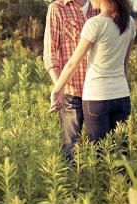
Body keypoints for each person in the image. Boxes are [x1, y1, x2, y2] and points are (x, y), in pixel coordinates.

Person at [48, 0, 136, 145]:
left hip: (97, 97)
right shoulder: (130, 22)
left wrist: (56, 89)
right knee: (122, 152)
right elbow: (124, 65)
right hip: (122, 96)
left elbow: (72, 64)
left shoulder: (94, 23)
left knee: (100, 153)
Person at [43, 0, 99, 162]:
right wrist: (59, 86)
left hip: (98, 93)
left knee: (99, 150)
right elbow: (50, 52)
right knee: (70, 151)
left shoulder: (100, 7)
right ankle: (71, 185)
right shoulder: (57, 8)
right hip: (71, 92)